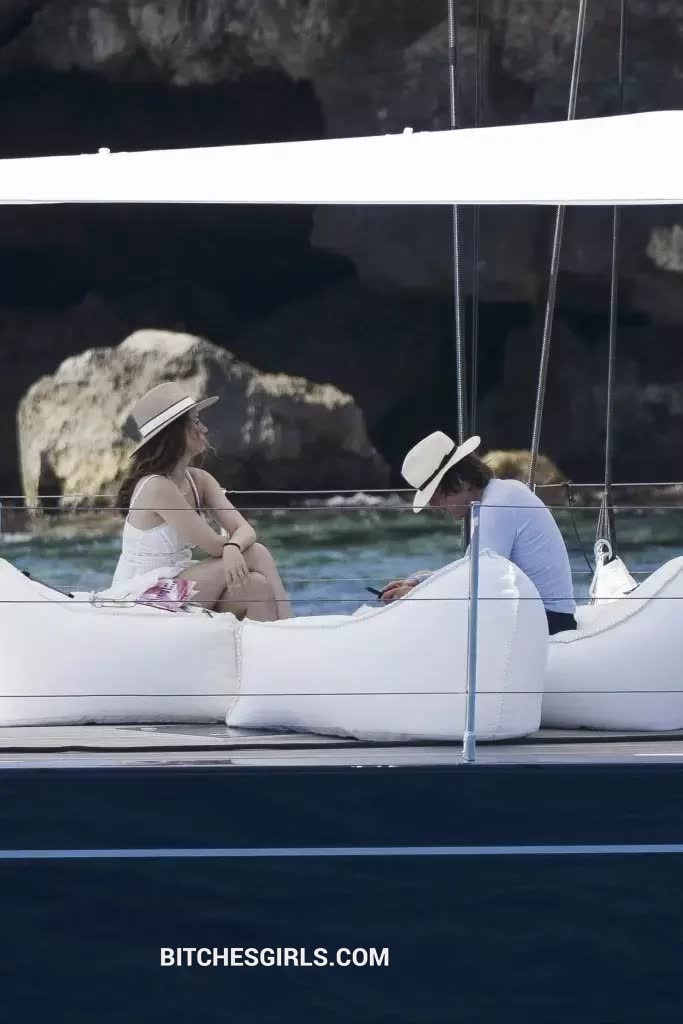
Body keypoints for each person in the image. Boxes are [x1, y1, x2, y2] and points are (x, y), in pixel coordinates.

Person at [110, 381, 292, 620]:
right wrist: (234, 546)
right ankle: (291, 626)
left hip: (180, 584)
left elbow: (245, 529)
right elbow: (215, 546)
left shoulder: (199, 480)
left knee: (257, 587)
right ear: (176, 432)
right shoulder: (156, 487)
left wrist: (234, 546)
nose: (204, 428)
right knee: (256, 553)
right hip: (145, 597)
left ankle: (272, 640)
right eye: (196, 421)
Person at [381, 431, 577, 635]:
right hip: (543, 615)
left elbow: (477, 582)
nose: (434, 505)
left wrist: (418, 594)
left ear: (458, 481)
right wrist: (419, 582)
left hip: (547, 621)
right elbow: (471, 571)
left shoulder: (497, 506)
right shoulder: (502, 494)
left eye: (435, 494)